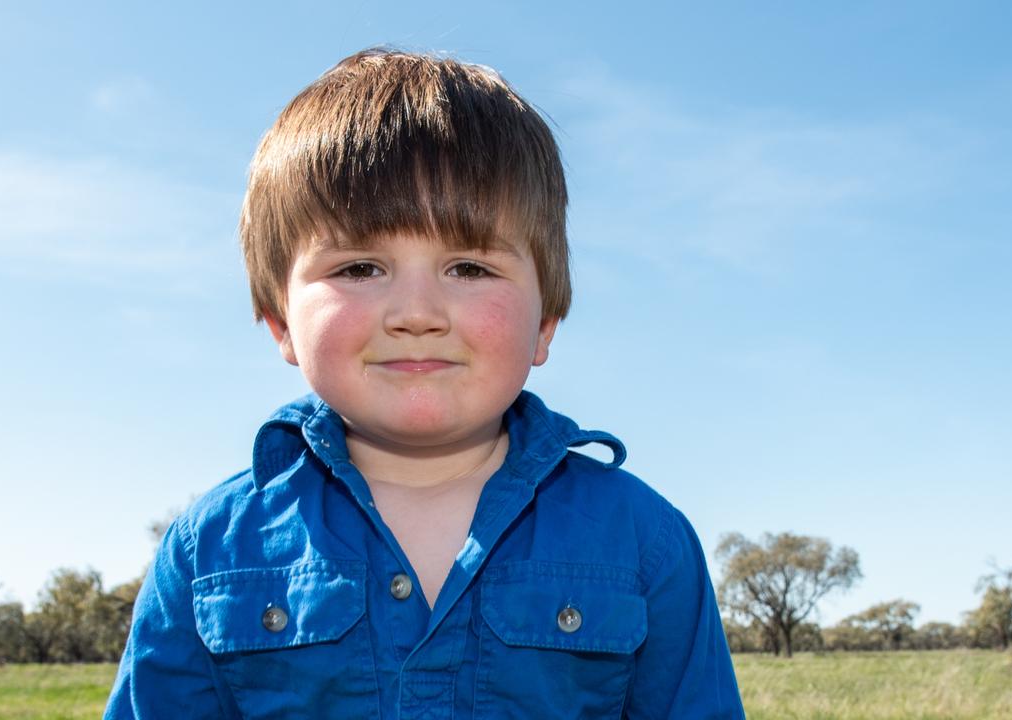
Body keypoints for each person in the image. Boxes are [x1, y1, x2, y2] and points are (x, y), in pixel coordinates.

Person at [104, 48, 745, 719]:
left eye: (468, 267)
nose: (416, 314)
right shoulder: (208, 550)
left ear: (545, 324)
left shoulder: (647, 541)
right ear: (280, 324)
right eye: (359, 268)